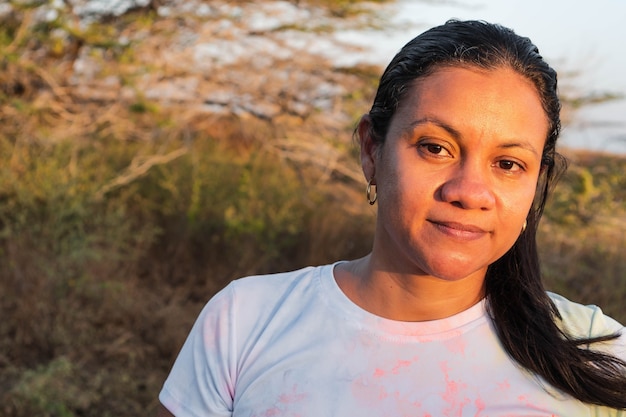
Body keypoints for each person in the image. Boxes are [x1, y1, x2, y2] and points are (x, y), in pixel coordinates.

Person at [156, 20, 626, 416]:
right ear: (371, 150)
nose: (468, 192)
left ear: (536, 184)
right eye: (435, 148)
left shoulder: (597, 356)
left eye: (508, 164)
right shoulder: (245, 321)